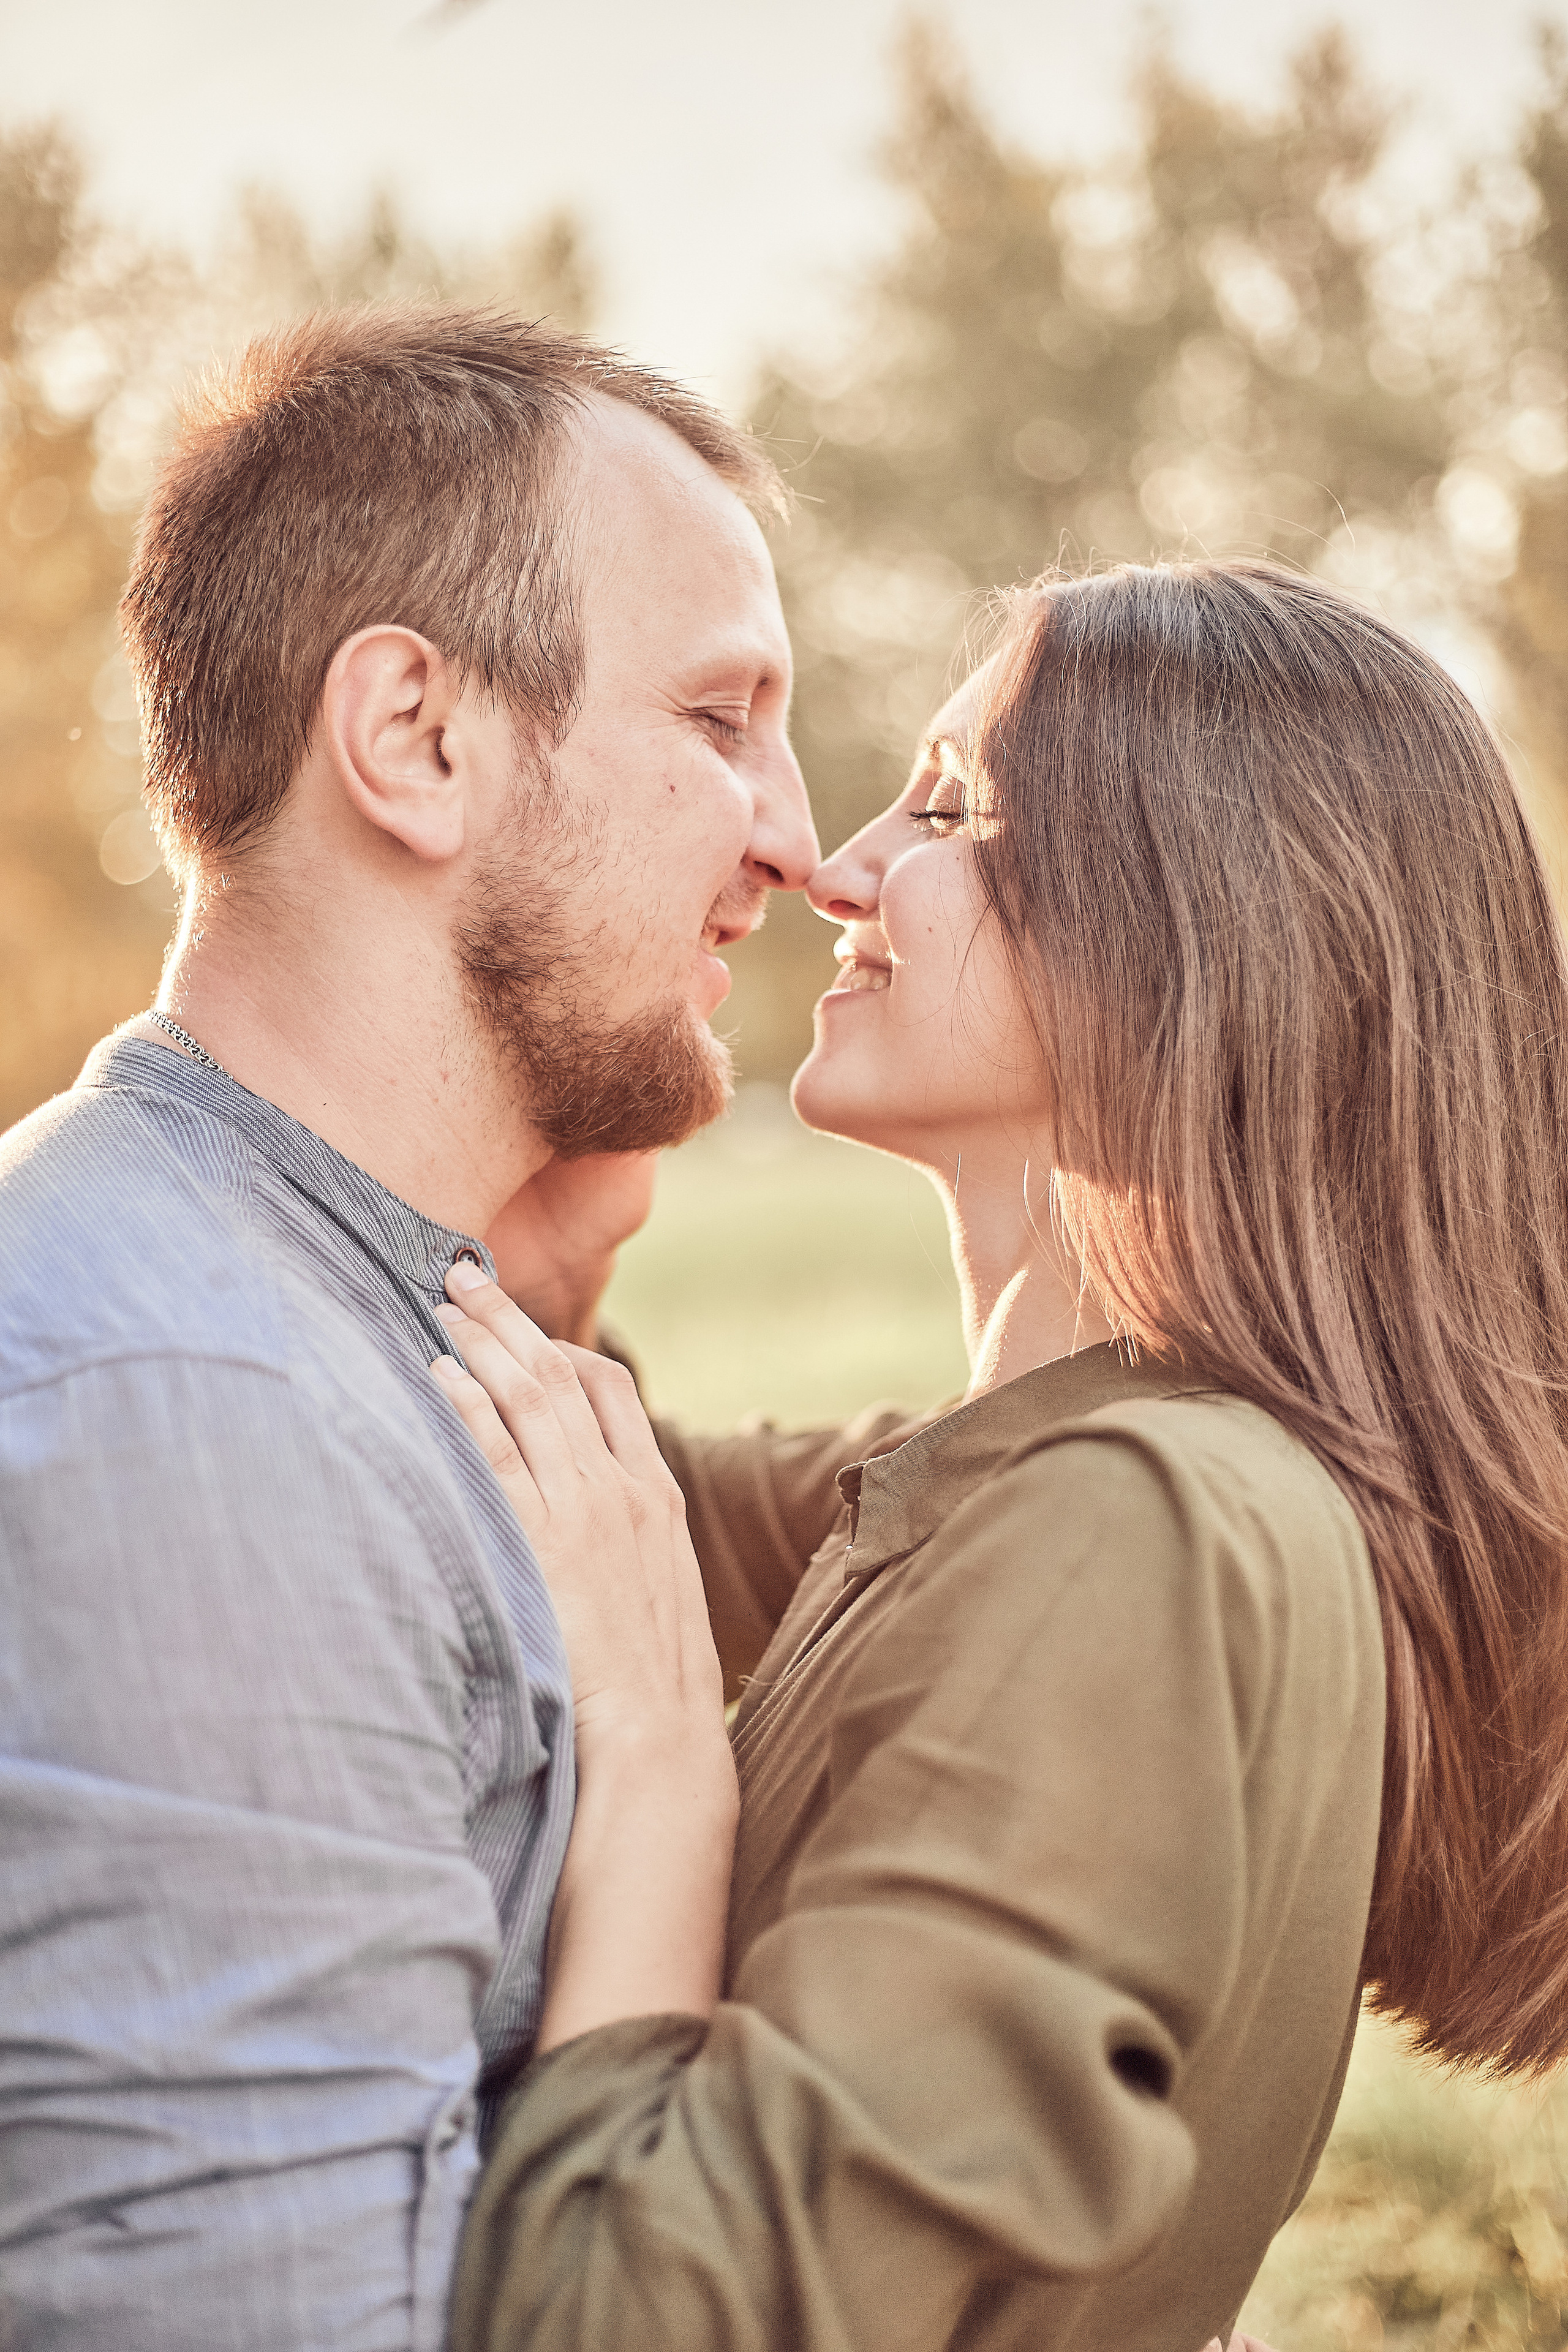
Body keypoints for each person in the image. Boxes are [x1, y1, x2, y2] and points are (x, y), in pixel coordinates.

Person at [428, 561, 1568, 2352]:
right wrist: (554, 1269)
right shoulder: (1066, 1478)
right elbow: (620, 1505)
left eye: (952, 803)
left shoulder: (1135, 1535)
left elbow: (635, 2322)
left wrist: (654, 1756)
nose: (839, 863)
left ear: (1189, 928)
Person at [0, 306, 816, 2348]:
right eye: (723, 721)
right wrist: (654, 1787)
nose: (798, 842)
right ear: (417, 740)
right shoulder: (195, 1417)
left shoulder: (321, 1315)